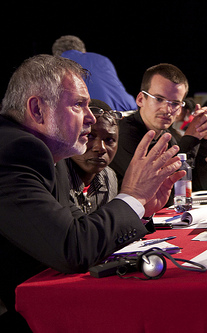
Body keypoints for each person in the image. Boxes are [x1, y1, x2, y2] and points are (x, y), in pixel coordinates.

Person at [0, 55, 185, 329]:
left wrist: (140, 208)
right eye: (79, 105)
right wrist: (131, 196)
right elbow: (72, 249)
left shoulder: (50, 155)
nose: (90, 117)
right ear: (37, 109)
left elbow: (79, 230)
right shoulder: (16, 150)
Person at [110, 63, 207, 194]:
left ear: (180, 108)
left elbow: (201, 186)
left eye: (175, 103)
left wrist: (205, 136)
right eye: (159, 99)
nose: (167, 109)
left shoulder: (168, 136)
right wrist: (190, 138)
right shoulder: (122, 136)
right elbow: (163, 192)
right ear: (140, 99)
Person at [61, 99, 121, 214]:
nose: (100, 147)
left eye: (109, 140)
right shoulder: (55, 176)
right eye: (89, 136)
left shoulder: (109, 177)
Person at [52, 35, 137, 112]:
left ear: (56, 55)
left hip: (95, 113)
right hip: (129, 110)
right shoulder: (102, 58)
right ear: (84, 51)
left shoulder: (56, 65)